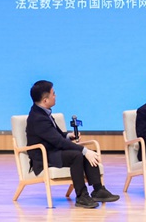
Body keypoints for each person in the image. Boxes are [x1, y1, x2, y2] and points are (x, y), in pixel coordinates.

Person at [26, 80, 119, 208]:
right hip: (44, 156)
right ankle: (81, 196)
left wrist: (68, 135)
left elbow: (55, 135)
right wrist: (84, 150)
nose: (55, 96)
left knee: (87, 153)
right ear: (45, 100)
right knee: (77, 155)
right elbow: (58, 142)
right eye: (53, 94)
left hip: (53, 150)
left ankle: (98, 190)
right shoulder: (38, 118)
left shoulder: (43, 112)